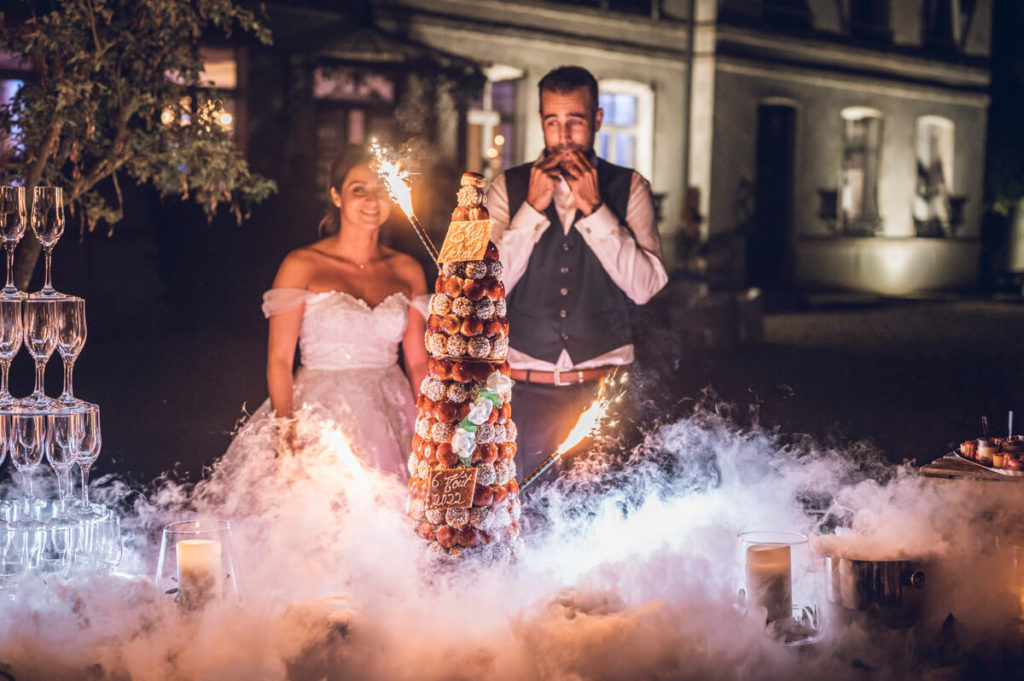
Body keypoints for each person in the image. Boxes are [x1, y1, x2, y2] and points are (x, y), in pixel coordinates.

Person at [486, 66, 669, 481]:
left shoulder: (630, 188)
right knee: (528, 518)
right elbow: (487, 290)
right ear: (541, 122)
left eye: (576, 122)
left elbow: (644, 287)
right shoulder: (507, 188)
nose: (564, 136)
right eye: (553, 122)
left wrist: (596, 210)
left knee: (604, 524)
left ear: (598, 120)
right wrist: (530, 210)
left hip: (606, 394)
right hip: (523, 392)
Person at [224, 146, 428, 480]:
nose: (371, 201)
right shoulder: (302, 264)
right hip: (320, 411)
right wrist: (286, 437)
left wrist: (435, 429)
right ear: (336, 196)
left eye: (380, 190)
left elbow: (418, 362)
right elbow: (279, 359)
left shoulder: (408, 270)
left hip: (392, 409)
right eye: (358, 190)